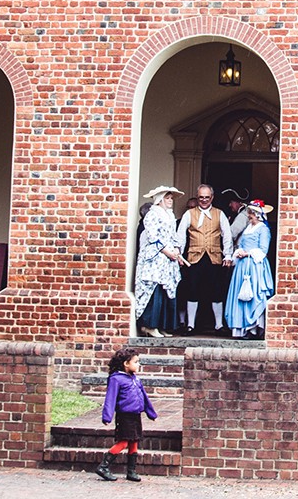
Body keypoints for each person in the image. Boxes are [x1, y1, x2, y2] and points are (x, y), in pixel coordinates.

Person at [173, 182, 234, 335]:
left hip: (214, 257)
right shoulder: (189, 214)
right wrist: (178, 253)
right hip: (194, 258)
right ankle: (190, 325)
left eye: (207, 197)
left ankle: (219, 326)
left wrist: (228, 254)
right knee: (192, 290)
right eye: (201, 198)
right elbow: (180, 235)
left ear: (212, 197)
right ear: (197, 197)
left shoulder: (219, 214)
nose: (204, 200)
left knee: (216, 291)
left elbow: (227, 235)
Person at [95, 346, 156, 482]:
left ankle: (131, 471)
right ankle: (103, 467)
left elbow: (144, 397)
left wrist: (151, 413)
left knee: (134, 441)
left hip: (136, 416)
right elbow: (110, 398)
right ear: (126, 364)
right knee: (123, 442)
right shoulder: (116, 379)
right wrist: (107, 416)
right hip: (125, 416)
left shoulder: (136, 379)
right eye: (136, 362)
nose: (138, 365)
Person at [133, 185, 183, 338]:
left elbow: (174, 236)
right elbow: (154, 237)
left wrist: (176, 249)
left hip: (168, 261)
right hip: (155, 258)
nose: (170, 201)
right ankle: (149, 325)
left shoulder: (170, 215)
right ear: (160, 199)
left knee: (167, 291)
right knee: (154, 291)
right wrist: (167, 251)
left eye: (171, 198)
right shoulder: (152, 215)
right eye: (167, 198)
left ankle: (162, 325)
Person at [225, 199, 275, 339]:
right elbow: (241, 243)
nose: (249, 216)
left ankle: (253, 327)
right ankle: (241, 328)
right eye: (249, 213)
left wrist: (247, 253)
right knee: (240, 295)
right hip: (242, 266)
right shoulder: (248, 228)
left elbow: (263, 250)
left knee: (253, 294)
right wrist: (239, 252)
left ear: (258, 214)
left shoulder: (263, 229)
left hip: (254, 266)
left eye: (251, 213)